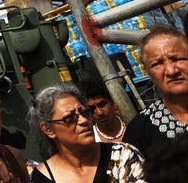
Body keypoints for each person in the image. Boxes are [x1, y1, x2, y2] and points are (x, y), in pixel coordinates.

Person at [27, 83, 145, 183]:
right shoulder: (42, 176)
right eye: (69, 118)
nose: (83, 120)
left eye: (84, 112)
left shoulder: (121, 156)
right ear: (48, 129)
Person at [124, 25, 188, 156]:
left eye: (177, 59)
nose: (171, 71)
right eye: (157, 64)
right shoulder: (140, 132)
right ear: (147, 72)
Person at [77, 78, 127, 143]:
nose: (99, 113)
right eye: (91, 109)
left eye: (102, 104)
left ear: (111, 102)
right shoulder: (91, 139)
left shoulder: (131, 125)